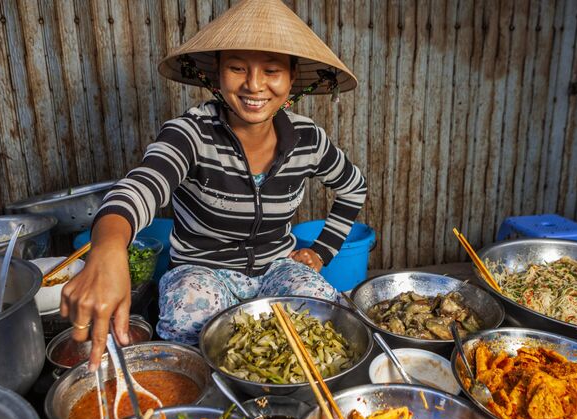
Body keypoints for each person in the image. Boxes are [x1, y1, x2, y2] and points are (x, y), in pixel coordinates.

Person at [60, 0, 366, 371]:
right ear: (217, 75)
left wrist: (322, 252)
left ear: (291, 79)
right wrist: (108, 249)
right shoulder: (190, 133)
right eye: (237, 67)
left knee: (322, 315)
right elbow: (141, 186)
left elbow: (353, 186)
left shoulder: (308, 139)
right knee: (194, 327)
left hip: (276, 268)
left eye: (271, 70)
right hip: (200, 270)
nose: (254, 85)